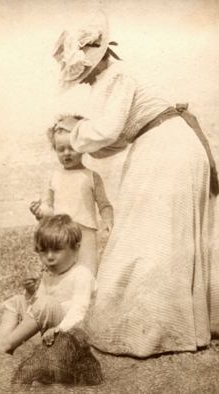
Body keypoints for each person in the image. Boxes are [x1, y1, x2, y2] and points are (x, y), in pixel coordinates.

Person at [51, 12, 219, 357]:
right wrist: (83, 133)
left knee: (150, 235)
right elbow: (119, 137)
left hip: (168, 148)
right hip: (170, 144)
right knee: (166, 235)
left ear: (96, 60)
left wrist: (73, 132)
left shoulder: (117, 77)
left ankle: (155, 330)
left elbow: (109, 131)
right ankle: (185, 327)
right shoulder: (115, 81)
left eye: (84, 72)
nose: (84, 79)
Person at [0, 214, 96, 354]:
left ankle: (7, 344)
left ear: (76, 248)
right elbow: (37, 304)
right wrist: (30, 292)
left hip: (69, 330)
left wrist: (60, 329)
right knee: (17, 301)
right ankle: (4, 340)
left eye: (57, 250)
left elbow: (79, 311)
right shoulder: (49, 274)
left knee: (47, 303)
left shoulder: (81, 274)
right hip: (48, 325)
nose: (50, 257)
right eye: (43, 251)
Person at [30, 114, 114, 276]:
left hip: (85, 233)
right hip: (60, 233)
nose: (67, 153)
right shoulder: (54, 177)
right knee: (62, 270)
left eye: (72, 148)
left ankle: (86, 299)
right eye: (61, 149)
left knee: (87, 269)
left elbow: (104, 204)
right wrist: (40, 211)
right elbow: (49, 208)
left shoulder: (91, 176)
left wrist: (108, 221)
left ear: (83, 147)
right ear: (55, 149)